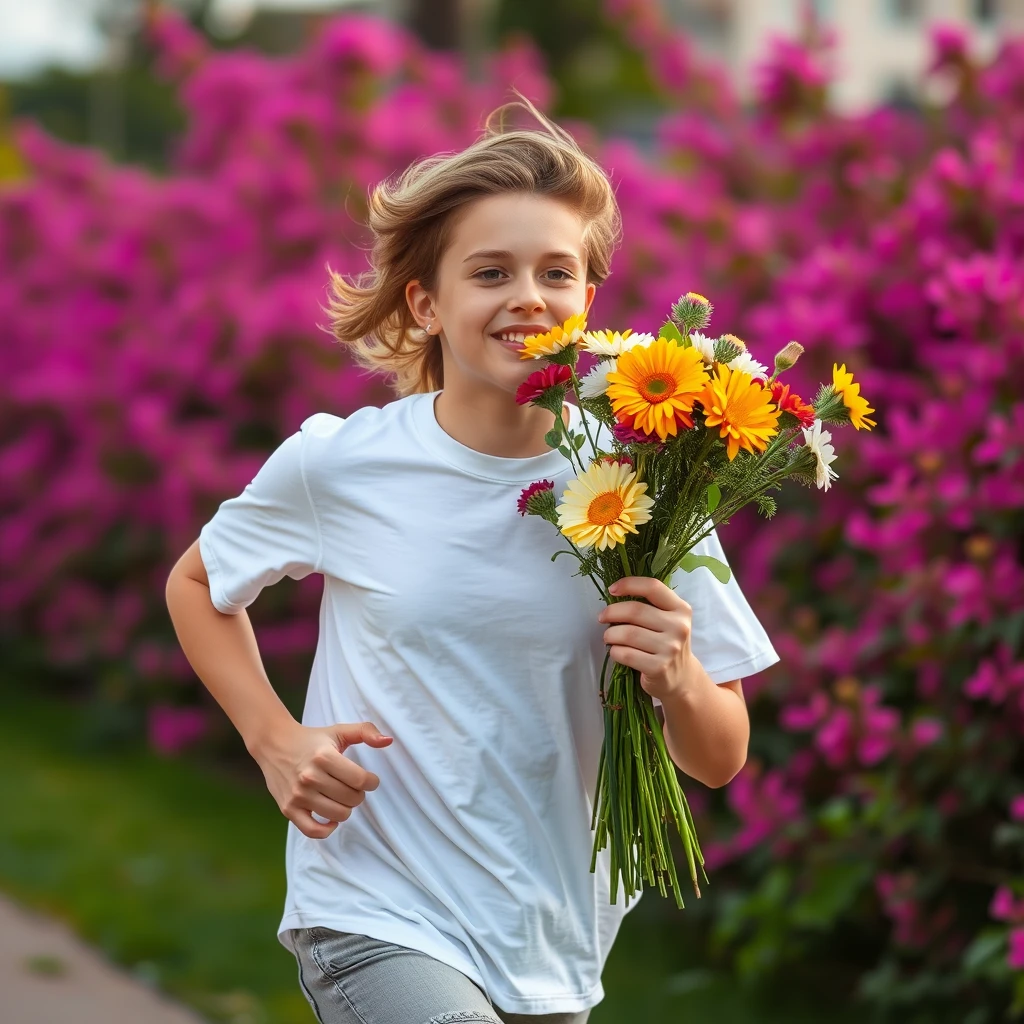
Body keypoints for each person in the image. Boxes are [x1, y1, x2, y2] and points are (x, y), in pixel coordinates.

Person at [164, 96, 780, 1024]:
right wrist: (272, 739)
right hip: (376, 905)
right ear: (428, 303)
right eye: (491, 271)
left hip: (552, 933)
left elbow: (721, 756)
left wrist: (678, 673)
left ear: (587, 303)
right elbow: (201, 582)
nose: (528, 295)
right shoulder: (345, 462)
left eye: (556, 272)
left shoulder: (653, 480)